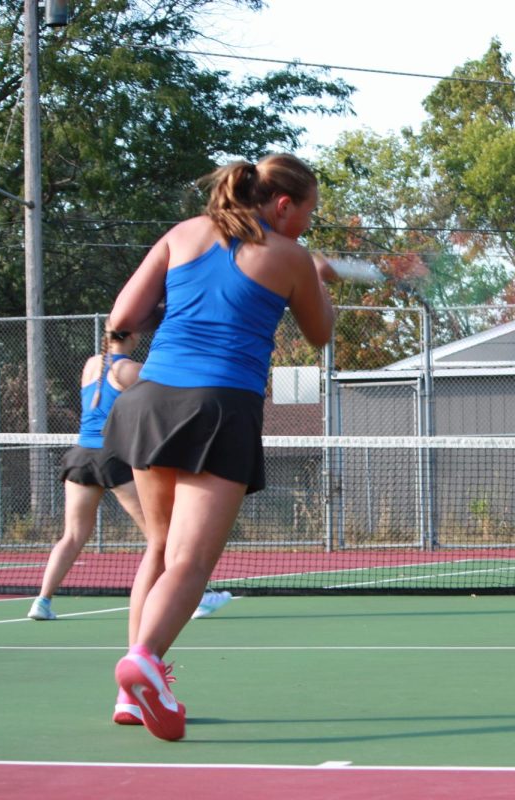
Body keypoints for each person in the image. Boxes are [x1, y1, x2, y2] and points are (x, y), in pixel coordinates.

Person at [101, 153, 336, 741]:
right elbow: (320, 333)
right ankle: (145, 662)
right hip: (218, 407)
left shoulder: (180, 235)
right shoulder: (291, 256)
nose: (307, 223)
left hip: (150, 401)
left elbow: (122, 318)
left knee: (159, 548)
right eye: (308, 212)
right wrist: (315, 276)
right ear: (284, 206)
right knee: (191, 562)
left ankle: (130, 694)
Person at [25, 329, 234, 723]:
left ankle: (43, 601)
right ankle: (192, 595)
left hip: (80, 455)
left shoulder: (91, 365)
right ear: (133, 334)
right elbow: (163, 394)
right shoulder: (128, 368)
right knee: (164, 539)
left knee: (72, 536)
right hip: (112, 456)